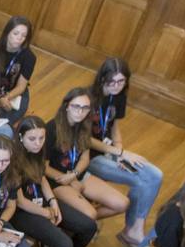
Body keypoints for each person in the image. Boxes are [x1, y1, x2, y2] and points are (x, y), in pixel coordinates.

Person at [12, 115, 96, 247]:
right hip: (21, 211)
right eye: (32, 139)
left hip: (40, 201)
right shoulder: (12, 159)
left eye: (42, 138)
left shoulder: (38, 151)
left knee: (89, 226)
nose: (38, 143)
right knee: (64, 244)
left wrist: (53, 201)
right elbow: (19, 202)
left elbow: (41, 178)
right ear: (20, 138)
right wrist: (45, 213)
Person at [88, 57, 163, 247]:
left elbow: (114, 126)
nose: (116, 86)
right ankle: (131, 234)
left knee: (155, 175)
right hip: (88, 156)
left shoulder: (117, 96)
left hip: (109, 151)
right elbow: (84, 139)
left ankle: (134, 229)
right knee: (140, 181)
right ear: (102, 78)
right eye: (112, 81)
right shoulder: (88, 98)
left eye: (121, 82)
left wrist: (120, 151)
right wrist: (119, 151)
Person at [45, 87, 129, 224]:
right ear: (66, 106)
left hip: (77, 174)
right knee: (91, 215)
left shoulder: (84, 126)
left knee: (123, 204)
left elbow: (85, 158)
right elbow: (43, 167)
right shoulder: (51, 128)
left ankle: (81, 218)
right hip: (57, 179)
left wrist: (74, 174)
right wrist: (69, 180)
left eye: (85, 108)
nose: (80, 112)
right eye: (76, 106)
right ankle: (83, 218)